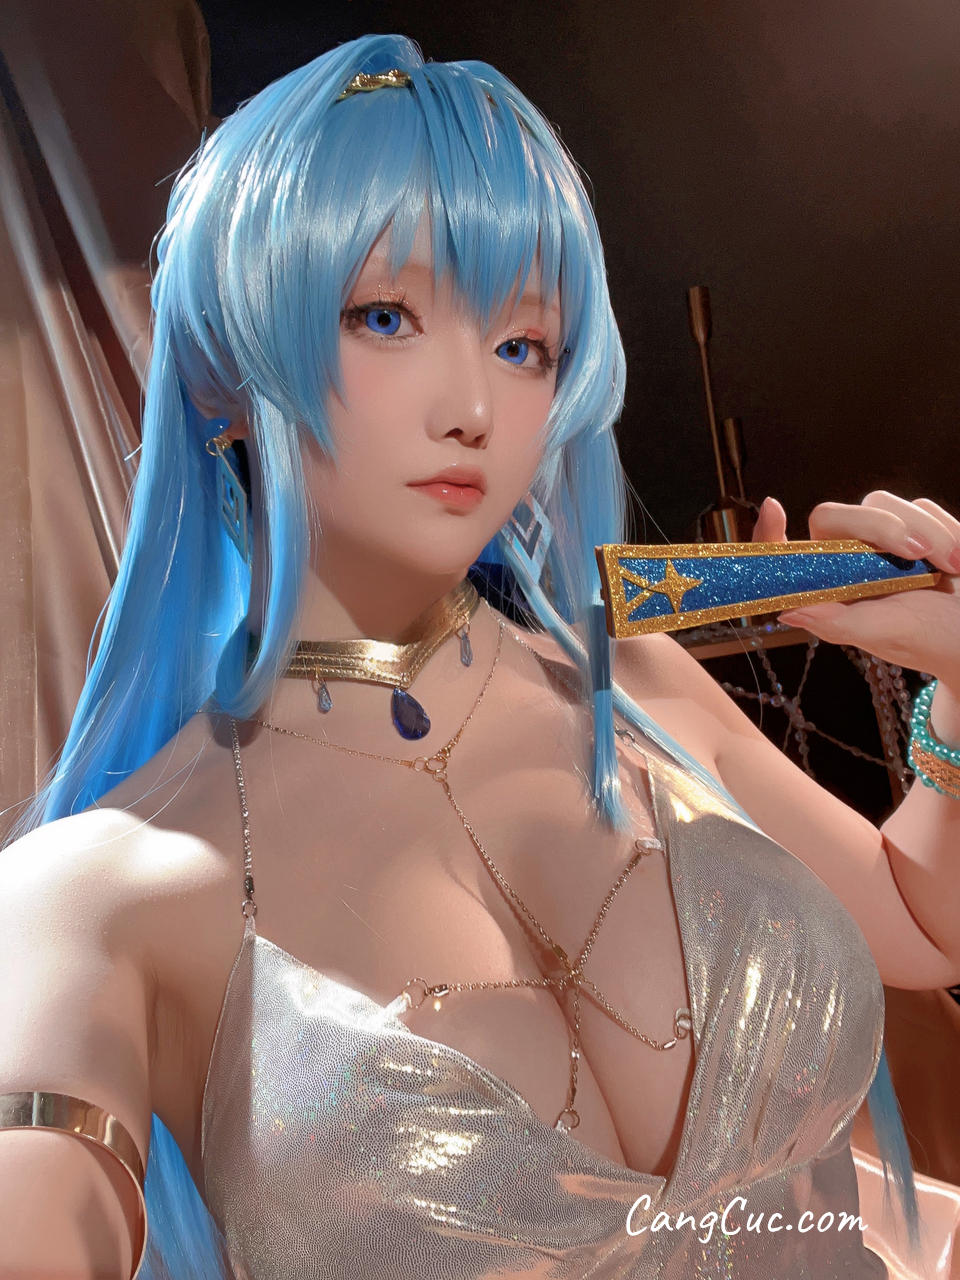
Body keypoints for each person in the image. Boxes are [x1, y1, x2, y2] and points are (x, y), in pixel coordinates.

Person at [2, 31, 959, 1280]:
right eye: (385, 316)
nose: (472, 408)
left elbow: (917, 921)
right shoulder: (97, 890)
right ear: (226, 367)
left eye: (522, 345)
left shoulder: (637, 689)